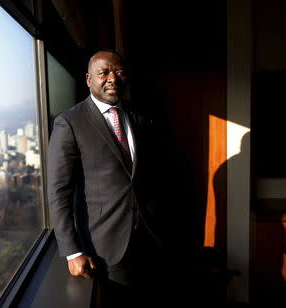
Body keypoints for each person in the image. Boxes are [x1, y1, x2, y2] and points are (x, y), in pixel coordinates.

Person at [47, 50, 184, 307]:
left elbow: (155, 175)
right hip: (105, 244)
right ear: (89, 80)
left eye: (119, 72)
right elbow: (58, 191)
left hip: (151, 237)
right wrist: (73, 251)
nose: (113, 78)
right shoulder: (70, 123)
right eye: (104, 73)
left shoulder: (141, 117)